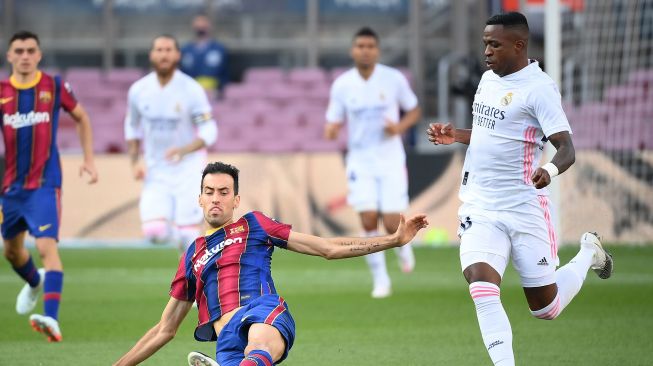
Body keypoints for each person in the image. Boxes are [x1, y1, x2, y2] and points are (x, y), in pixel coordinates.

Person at [426, 12, 613, 365]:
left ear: (519, 45)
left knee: (546, 309)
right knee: (481, 288)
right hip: (480, 205)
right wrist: (458, 136)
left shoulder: (539, 88)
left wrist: (549, 171)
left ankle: (588, 250)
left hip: (524, 206)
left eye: (494, 44)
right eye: (485, 44)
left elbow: (567, 148)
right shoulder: (487, 80)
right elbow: (491, 133)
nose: (487, 51)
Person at [113, 161, 429, 366]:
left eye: (224, 192)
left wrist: (393, 240)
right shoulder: (192, 254)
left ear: (236, 200)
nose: (216, 198)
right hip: (226, 341)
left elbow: (327, 248)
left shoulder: (255, 225)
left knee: (258, 345)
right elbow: (164, 329)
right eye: (209, 192)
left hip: (262, 311)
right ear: (199, 198)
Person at [0, 30, 99, 342]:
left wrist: (89, 159)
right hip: (11, 186)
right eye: (19, 50)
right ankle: (33, 282)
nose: (25, 56)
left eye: (31, 50)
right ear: (10, 56)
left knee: (45, 247)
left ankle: (51, 319)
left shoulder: (54, 86)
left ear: (39, 55)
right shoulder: (2, 90)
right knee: (12, 252)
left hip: (45, 184)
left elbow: (82, 117)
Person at [324, 27, 422, 298]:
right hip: (360, 160)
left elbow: (414, 109)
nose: (365, 50)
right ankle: (381, 279)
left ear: (377, 50)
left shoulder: (393, 79)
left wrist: (399, 127)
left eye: (370, 46)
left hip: (390, 159)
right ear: (352, 50)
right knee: (367, 218)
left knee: (391, 222)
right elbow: (333, 120)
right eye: (360, 46)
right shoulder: (342, 84)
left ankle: (403, 245)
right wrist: (331, 129)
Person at [125, 34, 218, 253]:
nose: (163, 54)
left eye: (168, 50)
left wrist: (184, 150)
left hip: (188, 168)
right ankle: (185, 242)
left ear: (177, 55)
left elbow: (209, 130)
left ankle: (192, 280)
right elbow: (131, 126)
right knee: (155, 232)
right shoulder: (138, 90)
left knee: (188, 233)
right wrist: (134, 161)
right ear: (151, 55)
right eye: (159, 50)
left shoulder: (191, 89)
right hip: (156, 170)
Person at [180, 14, 228, 96]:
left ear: (210, 26)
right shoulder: (186, 50)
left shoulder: (219, 48)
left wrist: (220, 90)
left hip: (212, 93)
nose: (201, 27)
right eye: (198, 24)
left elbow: (225, 72)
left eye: (204, 24)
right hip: (190, 92)